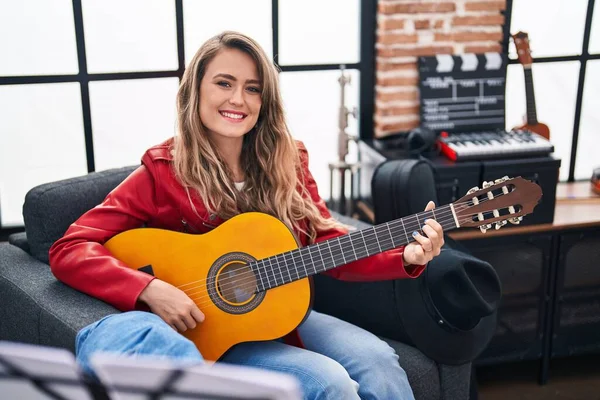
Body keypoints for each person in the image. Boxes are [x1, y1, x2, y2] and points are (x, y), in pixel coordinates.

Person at [49, 31, 444, 400]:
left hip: (281, 313)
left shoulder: (289, 161)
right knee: (330, 382)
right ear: (195, 90)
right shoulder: (163, 170)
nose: (238, 99)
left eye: (252, 88)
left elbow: (324, 241)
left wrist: (405, 257)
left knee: (382, 363)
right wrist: (148, 289)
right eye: (224, 83)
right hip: (209, 331)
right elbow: (70, 247)